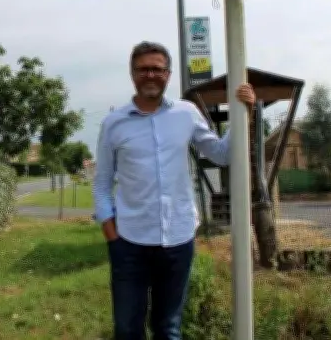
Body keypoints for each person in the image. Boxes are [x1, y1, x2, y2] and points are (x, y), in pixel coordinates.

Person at [92, 41, 256, 340]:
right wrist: (111, 233)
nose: (150, 75)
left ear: (168, 74)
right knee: (127, 329)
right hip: (129, 242)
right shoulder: (114, 124)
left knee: (168, 329)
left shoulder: (186, 113)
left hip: (178, 240)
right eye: (143, 69)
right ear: (132, 74)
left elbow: (221, 155)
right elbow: (102, 183)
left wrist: (242, 115)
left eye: (157, 69)